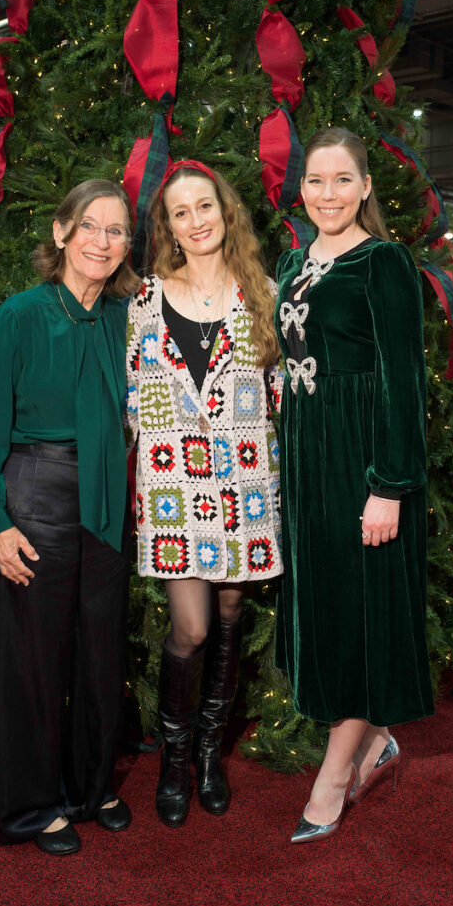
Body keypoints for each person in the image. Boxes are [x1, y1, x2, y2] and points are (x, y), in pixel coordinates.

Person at [0, 179, 142, 855]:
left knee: (100, 651)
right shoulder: (20, 315)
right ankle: (31, 806)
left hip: (106, 500)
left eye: (116, 230)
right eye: (89, 225)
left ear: (127, 245)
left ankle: (90, 788)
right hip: (34, 496)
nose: (101, 240)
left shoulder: (127, 318)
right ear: (61, 233)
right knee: (33, 659)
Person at [274, 127, 434, 844]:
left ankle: (335, 776)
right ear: (301, 188)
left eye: (343, 180)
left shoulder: (384, 262)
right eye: (316, 180)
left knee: (362, 612)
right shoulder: (292, 261)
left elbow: (404, 380)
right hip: (308, 462)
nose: (328, 194)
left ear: (366, 187)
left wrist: (389, 486)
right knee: (331, 609)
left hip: (362, 461)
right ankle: (375, 742)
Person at [126, 160, 283, 827]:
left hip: (244, 486)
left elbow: (281, 396)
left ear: (226, 211)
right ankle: (175, 758)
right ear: (167, 227)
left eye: (204, 206)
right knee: (189, 628)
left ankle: (211, 755)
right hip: (174, 490)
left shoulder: (263, 295)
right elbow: (132, 397)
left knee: (229, 613)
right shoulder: (145, 300)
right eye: (180, 212)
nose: (195, 221)